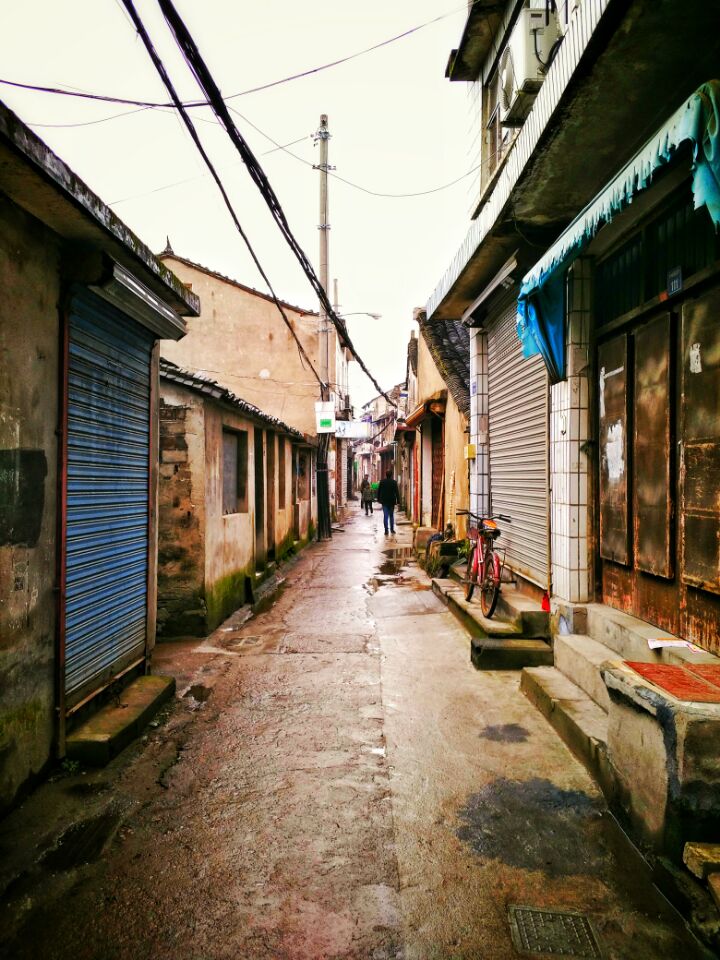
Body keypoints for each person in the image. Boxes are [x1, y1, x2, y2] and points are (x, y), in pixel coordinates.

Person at [377, 469, 400, 536]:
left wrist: (378, 499)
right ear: (391, 475)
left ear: (386, 475)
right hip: (392, 501)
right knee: (391, 516)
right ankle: (392, 530)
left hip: (384, 501)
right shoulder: (394, 482)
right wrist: (398, 501)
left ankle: (386, 530)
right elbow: (397, 492)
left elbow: (379, 491)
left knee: (385, 516)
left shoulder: (382, 482)